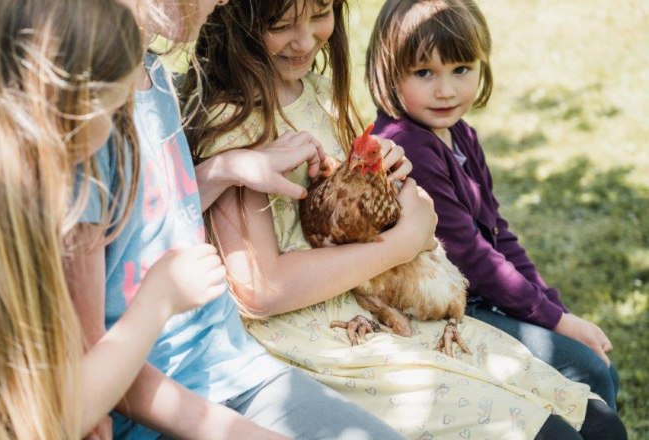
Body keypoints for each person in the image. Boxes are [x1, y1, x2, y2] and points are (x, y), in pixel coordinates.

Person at [182, 0, 627, 438]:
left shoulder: (313, 91)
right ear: (236, 16)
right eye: (281, 24)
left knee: (598, 423)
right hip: (320, 342)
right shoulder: (234, 122)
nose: (304, 40)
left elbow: (341, 219)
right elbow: (262, 288)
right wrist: (403, 241)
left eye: (320, 15)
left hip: (379, 306)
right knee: (550, 432)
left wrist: (377, 179)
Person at [0, 0, 226, 438]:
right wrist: (158, 301)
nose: (108, 135)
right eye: (110, 111)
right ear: (58, 104)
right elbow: (55, 414)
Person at [66, 0, 406, 439]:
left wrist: (223, 171)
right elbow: (91, 365)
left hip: (237, 370)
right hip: (158, 407)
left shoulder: (151, 77)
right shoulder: (83, 122)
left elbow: (146, 220)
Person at [366, 0, 620, 412]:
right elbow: (470, 255)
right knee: (588, 371)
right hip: (439, 309)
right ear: (388, 73)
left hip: (479, 294)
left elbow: (497, 233)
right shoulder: (408, 146)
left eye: (461, 69)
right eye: (424, 72)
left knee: (601, 369)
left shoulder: (459, 133)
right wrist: (556, 323)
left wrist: (553, 309)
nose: (446, 90)